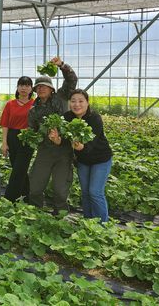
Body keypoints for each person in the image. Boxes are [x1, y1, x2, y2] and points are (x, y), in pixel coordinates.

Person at [28, 57, 78, 214]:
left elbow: (72, 80)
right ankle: (35, 214)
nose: (41, 88)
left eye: (45, 86)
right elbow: (34, 130)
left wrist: (62, 65)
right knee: (35, 186)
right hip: (45, 151)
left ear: (52, 89)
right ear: (35, 90)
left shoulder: (61, 97)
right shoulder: (33, 110)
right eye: (38, 87)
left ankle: (59, 218)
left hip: (63, 150)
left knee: (60, 190)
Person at [64, 89, 113, 222]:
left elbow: (92, 142)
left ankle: (103, 225)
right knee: (85, 193)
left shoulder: (94, 118)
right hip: (83, 161)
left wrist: (82, 147)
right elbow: (62, 135)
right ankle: (88, 222)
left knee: (95, 192)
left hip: (101, 159)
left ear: (87, 103)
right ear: (69, 103)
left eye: (81, 101)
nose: (77, 104)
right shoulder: (67, 117)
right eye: (73, 101)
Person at [0, 76, 36, 203]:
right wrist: (4, 142)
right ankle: (26, 197)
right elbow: (5, 124)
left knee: (18, 171)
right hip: (12, 138)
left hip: (28, 139)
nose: (24, 88)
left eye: (27, 85)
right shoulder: (10, 104)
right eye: (21, 85)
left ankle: (9, 200)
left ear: (31, 88)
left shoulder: (35, 104)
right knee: (19, 169)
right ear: (17, 87)